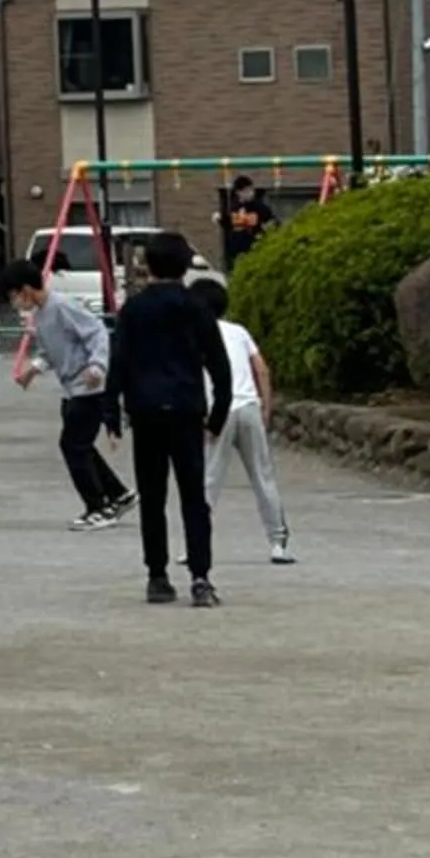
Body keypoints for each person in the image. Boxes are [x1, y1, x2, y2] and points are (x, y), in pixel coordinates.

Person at [108, 231, 234, 605]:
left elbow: (119, 362)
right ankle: (200, 576)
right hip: (186, 409)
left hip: (145, 410)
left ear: (147, 265)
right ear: (185, 266)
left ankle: (157, 575)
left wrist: (110, 411)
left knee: (153, 496)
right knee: (193, 496)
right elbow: (219, 366)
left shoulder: (132, 309)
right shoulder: (196, 308)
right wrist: (217, 416)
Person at [0, 258, 135, 531]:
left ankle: (98, 506)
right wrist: (33, 370)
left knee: (72, 445)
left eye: (14, 296)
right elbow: (50, 350)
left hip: (89, 387)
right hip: (71, 388)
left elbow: (97, 333)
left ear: (26, 289)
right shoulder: (42, 314)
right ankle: (118, 494)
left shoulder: (62, 306)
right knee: (81, 445)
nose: (14, 303)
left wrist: (97, 365)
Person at [191, 276, 295, 565]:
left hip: (217, 411)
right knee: (263, 476)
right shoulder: (239, 331)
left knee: (208, 480)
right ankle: (278, 543)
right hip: (248, 405)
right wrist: (265, 406)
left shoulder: (194, 333)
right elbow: (261, 369)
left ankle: (196, 544)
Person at [219, 175, 276, 270]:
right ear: (239, 193)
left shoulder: (259, 206)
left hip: (254, 248)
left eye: (251, 190)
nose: (251, 193)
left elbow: (271, 220)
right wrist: (220, 219)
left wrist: (268, 229)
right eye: (247, 191)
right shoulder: (232, 207)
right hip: (236, 249)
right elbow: (228, 225)